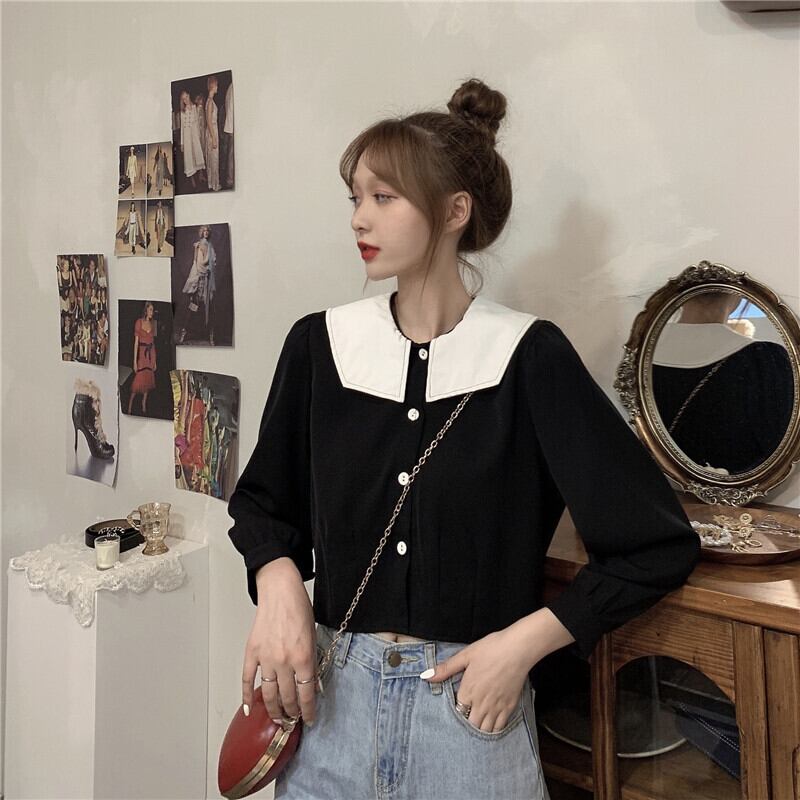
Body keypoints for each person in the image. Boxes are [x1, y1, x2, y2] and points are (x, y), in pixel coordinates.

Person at [227, 78, 701, 800]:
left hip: (471, 720)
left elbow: (655, 544)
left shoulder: (528, 356)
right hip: (330, 711)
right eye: (355, 197)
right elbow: (263, 504)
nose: (359, 217)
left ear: (455, 211)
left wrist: (525, 643)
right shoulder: (319, 347)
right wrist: (278, 582)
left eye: (384, 197)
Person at [128, 301, 157, 415]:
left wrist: (155, 361)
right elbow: (136, 344)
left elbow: (153, 343)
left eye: (153, 310)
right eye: (150, 310)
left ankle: (144, 403)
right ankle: (130, 405)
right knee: (139, 379)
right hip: (142, 354)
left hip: (151, 354)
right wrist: (134, 362)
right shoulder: (138, 322)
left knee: (148, 378)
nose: (152, 312)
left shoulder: (153, 323)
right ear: (146, 310)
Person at [179, 89, 206, 191]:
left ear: (189, 95)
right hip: (186, 137)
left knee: (198, 154)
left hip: (194, 135)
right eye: (183, 99)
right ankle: (192, 180)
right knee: (189, 157)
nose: (185, 100)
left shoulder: (194, 108)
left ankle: (201, 175)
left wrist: (199, 136)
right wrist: (182, 143)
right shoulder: (183, 112)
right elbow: (182, 128)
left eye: (186, 97)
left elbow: (197, 124)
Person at [205, 76, 221, 191]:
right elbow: (209, 122)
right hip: (212, 131)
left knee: (211, 159)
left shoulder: (209, 100)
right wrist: (214, 138)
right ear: (213, 86)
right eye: (216, 85)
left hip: (212, 131)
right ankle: (215, 185)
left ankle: (212, 183)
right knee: (214, 159)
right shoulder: (210, 102)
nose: (217, 87)